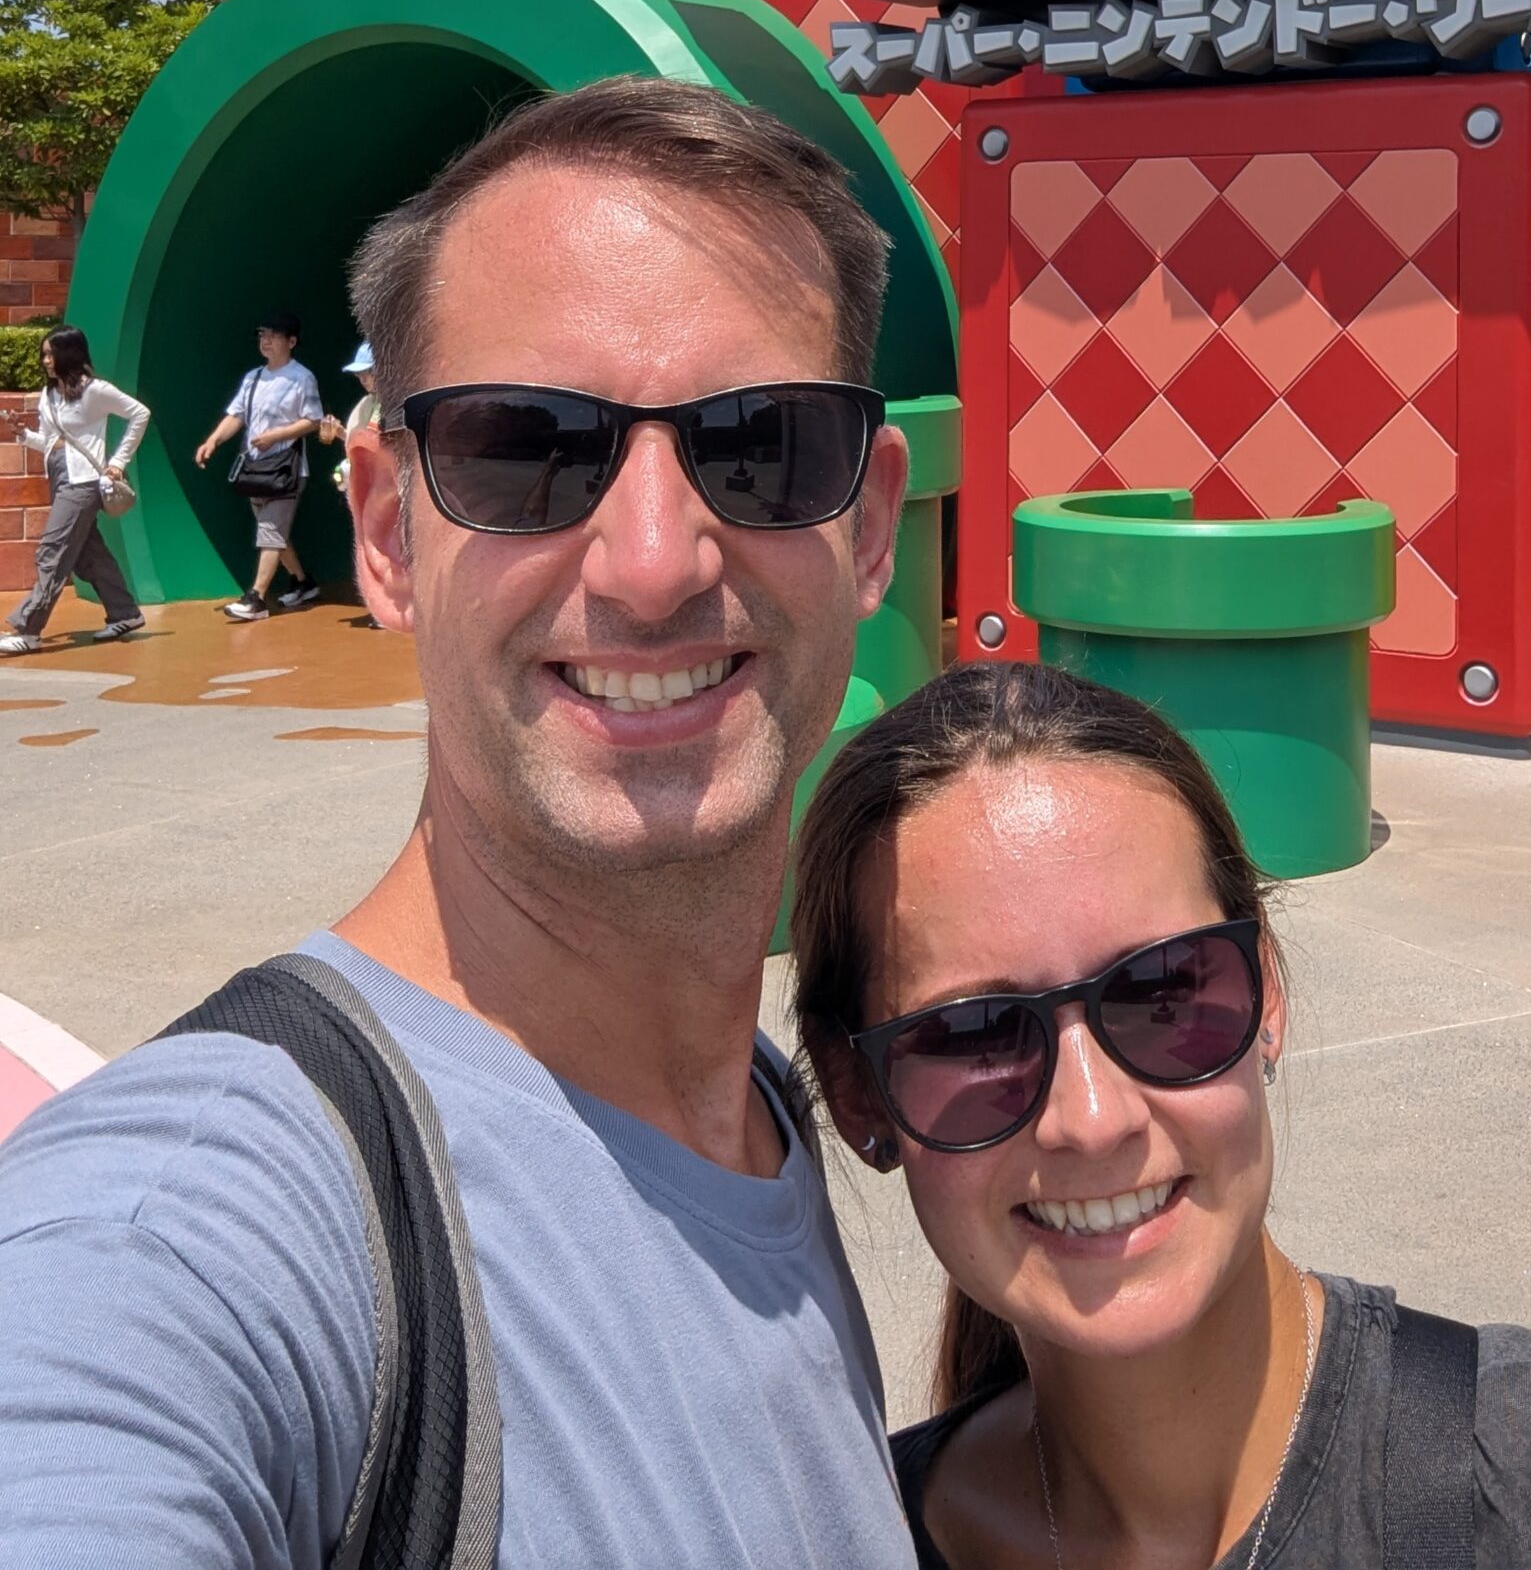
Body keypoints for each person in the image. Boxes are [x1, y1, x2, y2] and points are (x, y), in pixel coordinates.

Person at [0, 77, 918, 1567]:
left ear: (867, 526)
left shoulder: (759, 1111)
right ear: (386, 533)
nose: (652, 563)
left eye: (762, 443)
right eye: (525, 449)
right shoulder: (177, 1235)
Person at [790, 660, 1531, 1570]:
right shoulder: (839, 1542)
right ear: (857, 1094)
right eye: (976, 1036)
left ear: (1269, 992)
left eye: (1165, 991)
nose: (1093, 1118)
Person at [1, 326, 149, 655]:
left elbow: (140, 413)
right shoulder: (49, 394)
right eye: (44, 354)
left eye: (50, 354)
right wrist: (23, 434)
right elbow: (51, 442)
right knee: (86, 552)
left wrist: (118, 461)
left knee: (52, 551)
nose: (45, 360)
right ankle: (125, 613)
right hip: (59, 476)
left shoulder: (95, 391)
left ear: (69, 353)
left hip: (82, 482)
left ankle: (29, 629)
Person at [193, 308, 325, 620]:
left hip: (286, 470)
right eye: (263, 335)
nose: (266, 341)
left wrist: (276, 435)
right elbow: (236, 415)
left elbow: (313, 420)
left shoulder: (302, 377)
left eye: (274, 336)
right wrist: (213, 441)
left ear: (291, 341)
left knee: (270, 532)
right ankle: (303, 583)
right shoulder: (253, 377)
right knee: (275, 534)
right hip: (256, 469)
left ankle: (256, 599)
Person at [319, 339, 380, 491]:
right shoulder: (370, 402)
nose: (363, 379)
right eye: (359, 374)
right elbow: (366, 444)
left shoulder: (393, 402)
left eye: (369, 372)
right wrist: (339, 432)